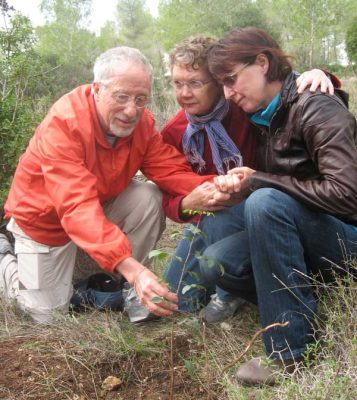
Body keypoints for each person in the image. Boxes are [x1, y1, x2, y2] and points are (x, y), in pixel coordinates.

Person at [0, 46, 217, 324]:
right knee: (47, 317)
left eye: (141, 99)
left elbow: (171, 170)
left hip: (97, 211)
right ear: (97, 90)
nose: (131, 110)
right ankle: (7, 263)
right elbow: (76, 206)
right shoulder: (64, 125)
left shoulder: (141, 124)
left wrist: (219, 186)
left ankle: (122, 287)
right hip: (46, 226)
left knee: (148, 196)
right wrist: (133, 268)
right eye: (121, 96)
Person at [200, 26, 357, 385]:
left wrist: (260, 180)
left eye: (231, 79)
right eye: (221, 84)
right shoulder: (262, 113)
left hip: (346, 236)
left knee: (265, 201)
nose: (227, 92)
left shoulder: (315, 105)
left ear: (262, 62)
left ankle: (290, 352)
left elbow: (348, 195)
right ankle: (302, 295)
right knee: (212, 264)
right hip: (304, 230)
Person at [160, 35, 336, 322]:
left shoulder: (245, 109)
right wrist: (184, 204)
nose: (184, 94)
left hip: (261, 206)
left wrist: (316, 74)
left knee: (230, 214)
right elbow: (167, 189)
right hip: (204, 217)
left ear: (219, 83)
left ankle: (229, 295)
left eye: (195, 83)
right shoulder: (173, 131)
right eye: (178, 83)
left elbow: (282, 94)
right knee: (177, 299)